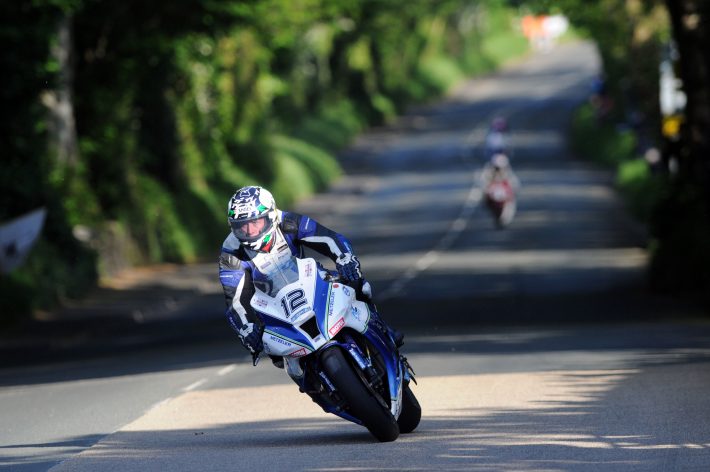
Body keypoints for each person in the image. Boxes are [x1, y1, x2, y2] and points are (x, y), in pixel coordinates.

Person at [218, 185, 402, 365]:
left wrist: (345, 258)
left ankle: (385, 332)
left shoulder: (287, 221)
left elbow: (330, 238)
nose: (249, 231)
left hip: (312, 283)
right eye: (241, 226)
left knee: (359, 285)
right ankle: (312, 384)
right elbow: (235, 301)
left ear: (270, 215)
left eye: (255, 223)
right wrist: (245, 327)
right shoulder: (231, 253)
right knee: (272, 352)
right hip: (273, 307)